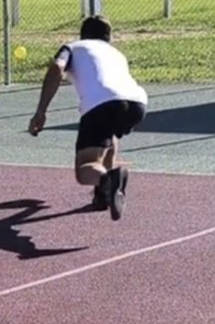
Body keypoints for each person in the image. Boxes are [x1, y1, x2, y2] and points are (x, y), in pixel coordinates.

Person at [29, 16, 147, 221]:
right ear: (109, 38)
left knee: (84, 169)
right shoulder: (116, 53)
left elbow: (56, 68)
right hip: (138, 103)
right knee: (108, 134)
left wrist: (41, 111)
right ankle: (103, 195)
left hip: (102, 103)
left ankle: (109, 180)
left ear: (82, 35)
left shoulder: (73, 47)